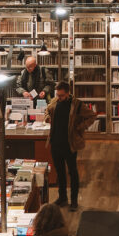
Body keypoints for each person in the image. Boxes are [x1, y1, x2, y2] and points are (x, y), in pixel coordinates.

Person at [45, 81, 95, 211]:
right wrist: (47, 117)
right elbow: (47, 110)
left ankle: (74, 201)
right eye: (57, 94)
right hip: (55, 142)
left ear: (67, 93)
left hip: (69, 143)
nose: (59, 97)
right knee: (60, 172)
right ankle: (62, 198)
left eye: (61, 95)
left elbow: (91, 116)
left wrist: (80, 128)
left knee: (73, 172)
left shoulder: (77, 104)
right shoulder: (55, 101)